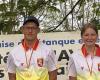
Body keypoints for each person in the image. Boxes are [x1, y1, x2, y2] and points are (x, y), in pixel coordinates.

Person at [7, 16, 57, 80]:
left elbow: (53, 75)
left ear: (38, 30)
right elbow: (12, 76)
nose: (30, 31)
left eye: (33, 28)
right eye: (27, 28)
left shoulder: (48, 51)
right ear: (22, 29)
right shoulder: (13, 53)